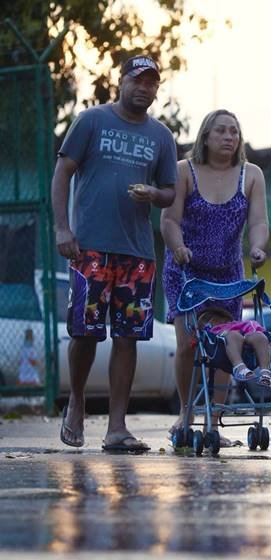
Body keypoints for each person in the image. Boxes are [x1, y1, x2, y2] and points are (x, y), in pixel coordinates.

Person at [51, 54, 178, 451]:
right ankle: (76, 402)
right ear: (121, 81)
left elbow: (170, 192)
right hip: (89, 247)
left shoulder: (162, 137)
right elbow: (62, 172)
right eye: (137, 80)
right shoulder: (92, 120)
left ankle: (117, 427)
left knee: (128, 338)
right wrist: (62, 227)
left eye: (152, 82)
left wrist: (155, 194)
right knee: (85, 334)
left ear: (157, 90)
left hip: (137, 253)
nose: (144, 88)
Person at [161, 109, 268, 445]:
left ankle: (215, 418)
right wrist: (177, 247)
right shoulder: (184, 171)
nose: (228, 137)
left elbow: (259, 222)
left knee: (224, 346)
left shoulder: (251, 174)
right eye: (221, 131)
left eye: (234, 131)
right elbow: (168, 220)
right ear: (205, 136)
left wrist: (259, 247)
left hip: (227, 277)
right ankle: (185, 411)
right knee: (188, 345)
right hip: (186, 273)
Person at [196, 307, 271, 387]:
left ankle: (265, 372)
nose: (209, 326)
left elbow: (253, 326)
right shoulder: (215, 332)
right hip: (225, 354)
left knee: (260, 336)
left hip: (250, 348)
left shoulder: (238, 324)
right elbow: (217, 336)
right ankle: (239, 367)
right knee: (233, 335)